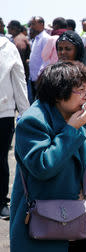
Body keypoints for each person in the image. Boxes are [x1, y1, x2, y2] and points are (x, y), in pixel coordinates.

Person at [9, 61, 86, 252]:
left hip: (75, 217)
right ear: (59, 93)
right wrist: (70, 130)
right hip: (44, 222)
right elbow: (43, 166)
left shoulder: (73, 114)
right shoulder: (33, 121)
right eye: (81, 91)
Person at [0, 37, 29, 219]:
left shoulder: (7, 47)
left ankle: (1, 200)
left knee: (0, 158)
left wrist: (26, 113)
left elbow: (19, 79)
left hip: (3, 112)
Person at [29, 16, 51, 102]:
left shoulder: (45, 38)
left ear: (42, 24)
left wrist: (40, 77)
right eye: (31, 24)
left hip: (40, 79)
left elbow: (46, 60)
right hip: (33, 78)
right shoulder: (37, 38)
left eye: (34, 24)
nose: (31, 26)